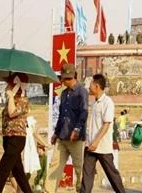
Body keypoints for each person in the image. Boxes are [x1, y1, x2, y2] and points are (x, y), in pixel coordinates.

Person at [78, 73, 125, 193]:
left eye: (91, 84)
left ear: (97, 86)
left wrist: (96, 141)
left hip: (102, 146)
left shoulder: (107, 102)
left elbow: (107, 124)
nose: (89, 86)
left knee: (112, 175)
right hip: (90, 146)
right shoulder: (94, 102)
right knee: (87, 176)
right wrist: (90, 142)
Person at [46, 62, 88, 193]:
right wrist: (56, 133)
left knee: (79, 167)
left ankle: (81, 190)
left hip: (75, 138)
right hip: (62, 137)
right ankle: (48, 191)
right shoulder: (64, 94)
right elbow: (61, 115)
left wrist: (77, 129)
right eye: (63, 78)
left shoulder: (82, 92)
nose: (64, 81)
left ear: (72, 77)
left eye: (66, 78)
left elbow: (84, 112)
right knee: (55, 165)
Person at [0, 73, 34, 193]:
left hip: (16, 139)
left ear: (16, 86)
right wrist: (10, 97)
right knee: (18, 172)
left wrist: (10, 96)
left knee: (1, 170)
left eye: (9, 84)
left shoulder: (23, 101)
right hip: (8, 139)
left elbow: (12, 113)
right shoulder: (11, 100)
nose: (7, 86)